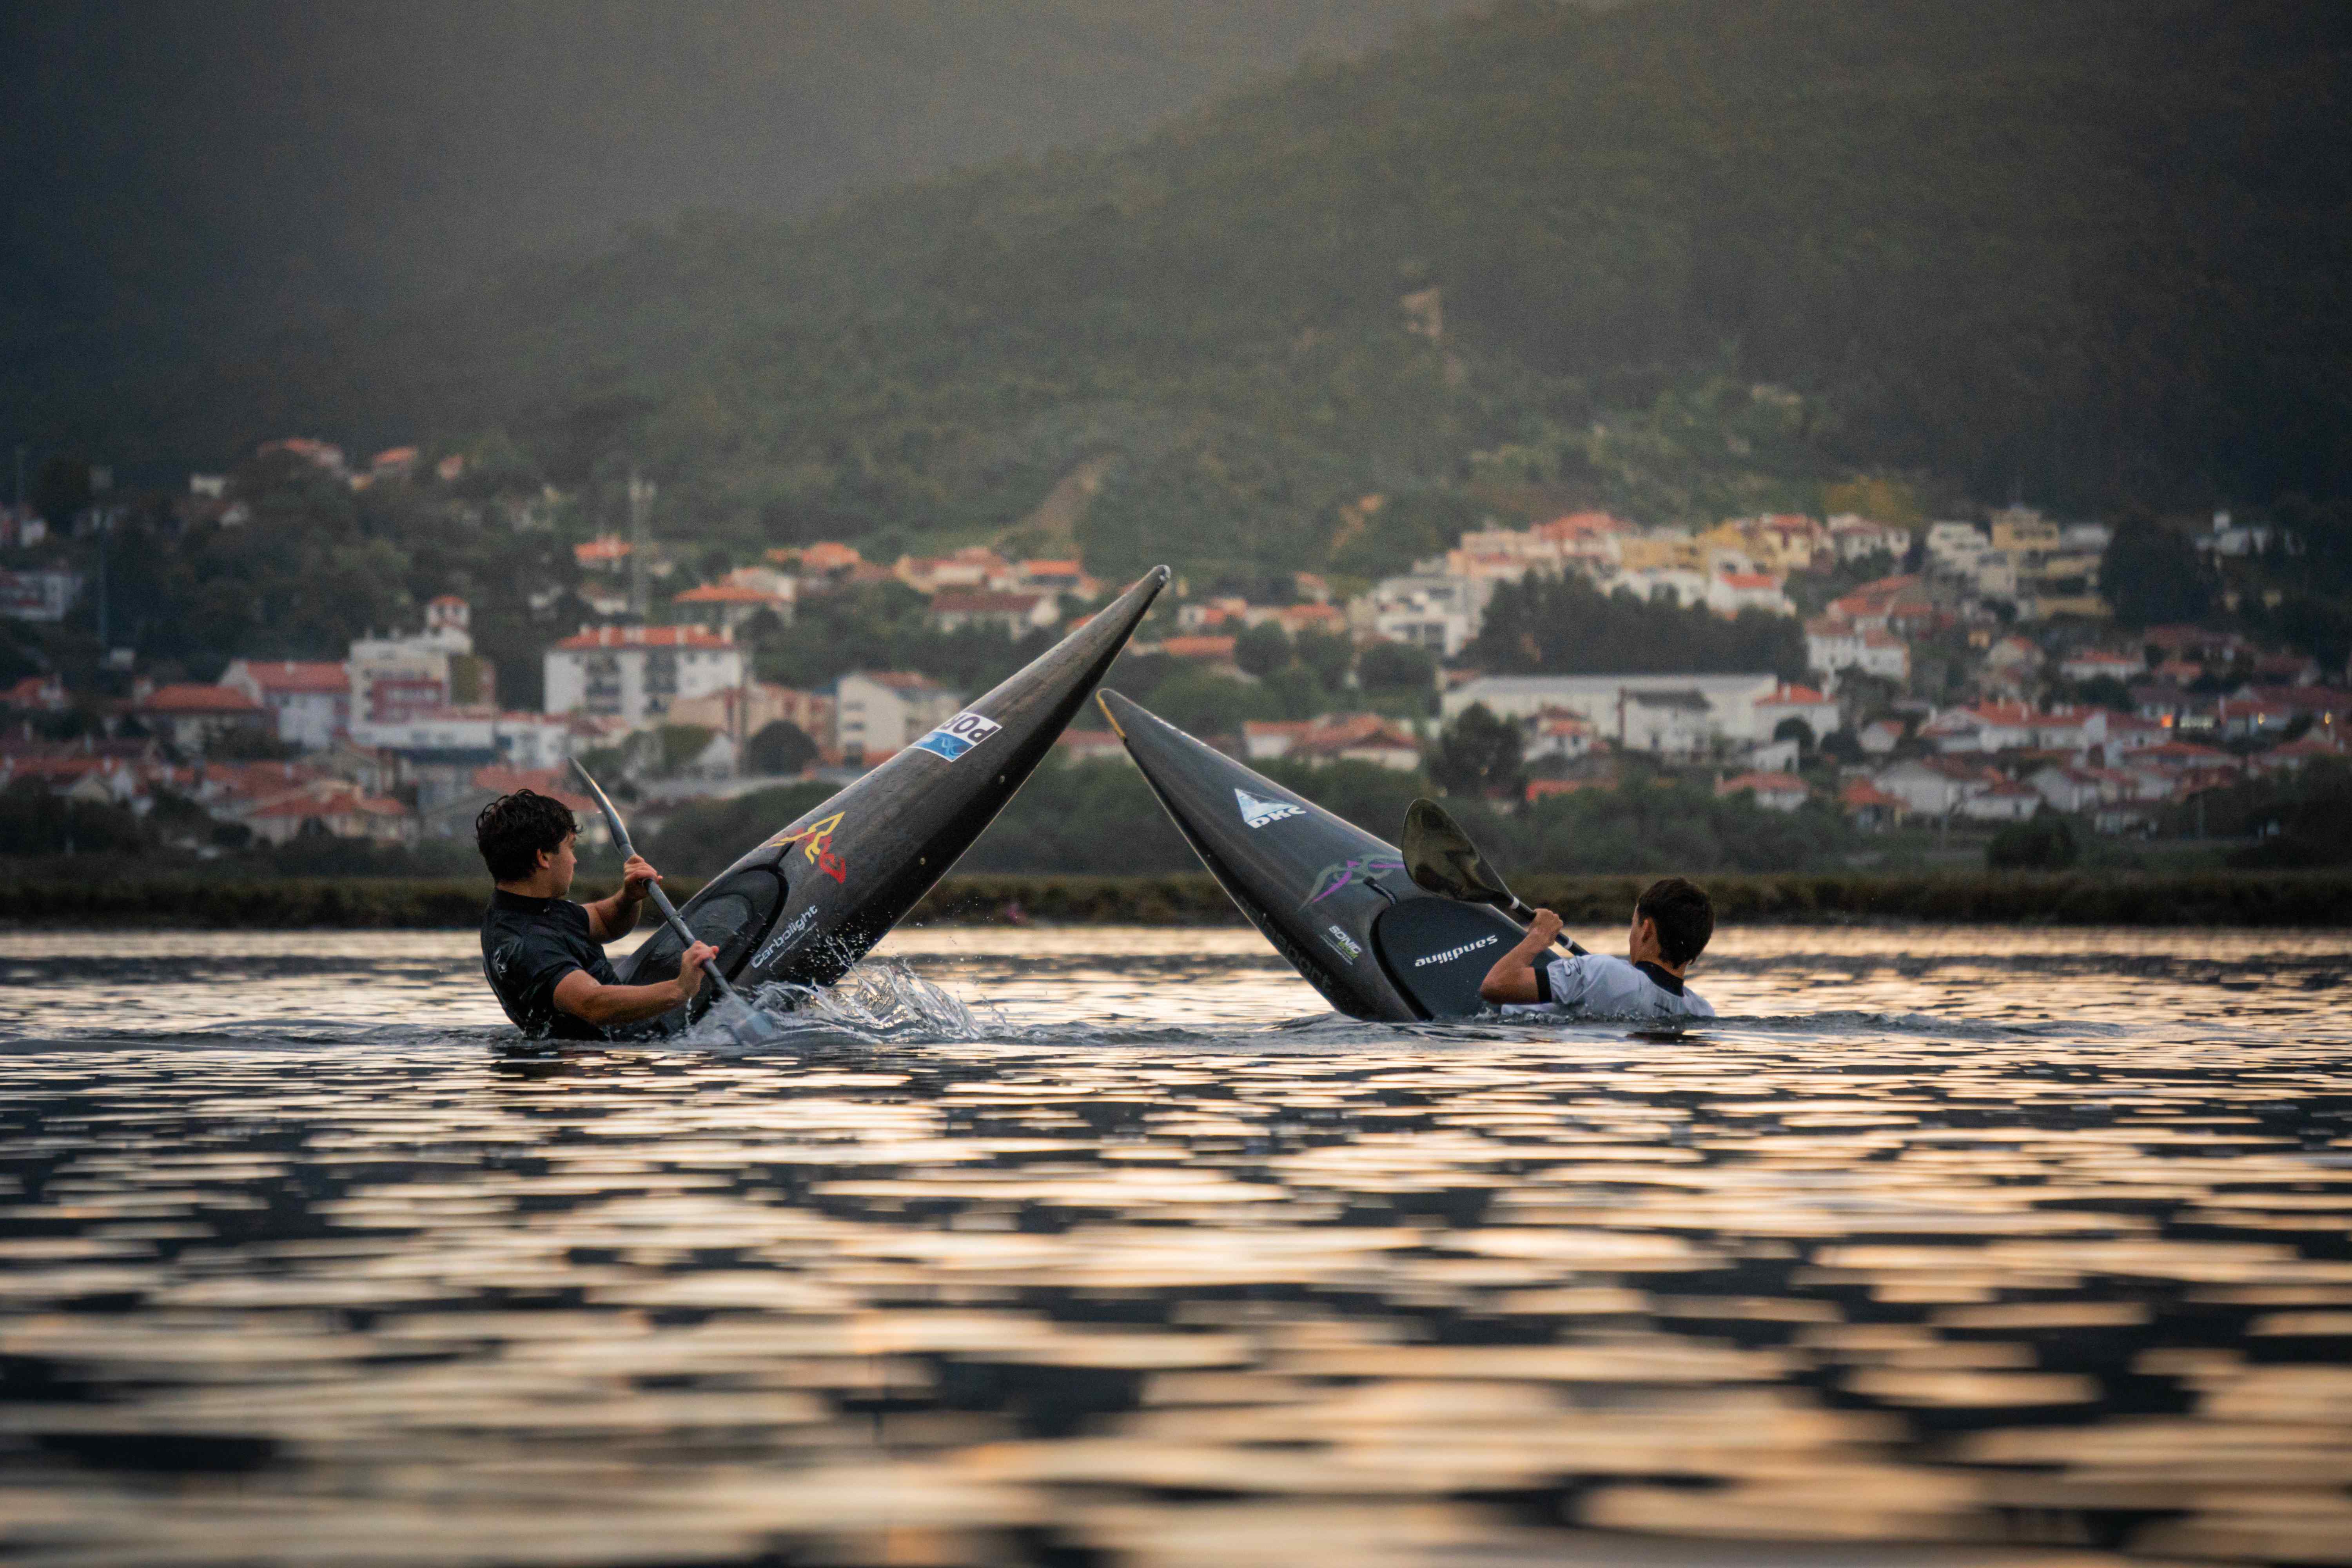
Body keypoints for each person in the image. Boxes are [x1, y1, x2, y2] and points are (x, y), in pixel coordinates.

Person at [476, 788, 717, 1039]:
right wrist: (679, 990)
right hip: (608, 1052)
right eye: (570, 848)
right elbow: (592, 1004)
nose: (574, 861)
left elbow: (605, 921)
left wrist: (629, 897)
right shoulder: (527, 943)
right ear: (544, 857)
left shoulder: (530, 906)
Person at [1478, 876, 1716, 1020]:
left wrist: (1538, 937)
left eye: (1633, 924)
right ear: (1695, 954)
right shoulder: (1702, 1011)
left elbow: (1495, 986)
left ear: (1647, 929)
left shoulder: (1603, 972)